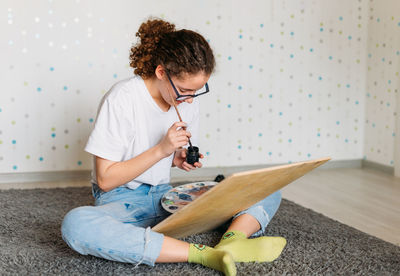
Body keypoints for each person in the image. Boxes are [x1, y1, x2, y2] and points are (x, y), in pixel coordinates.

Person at [61, 18, 286, 276]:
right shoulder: (122, 98)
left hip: (169, 199)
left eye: (197, 91)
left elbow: (167, 156)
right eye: (183, 90)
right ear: (160, 72)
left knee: (268, 187)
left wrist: (176, 159)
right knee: (76, 224)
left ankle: (232, 242)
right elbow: (106, 180)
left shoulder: (188, 101)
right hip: (124, 202)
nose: (189, 99)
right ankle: (203, 254)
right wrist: (161, 150)